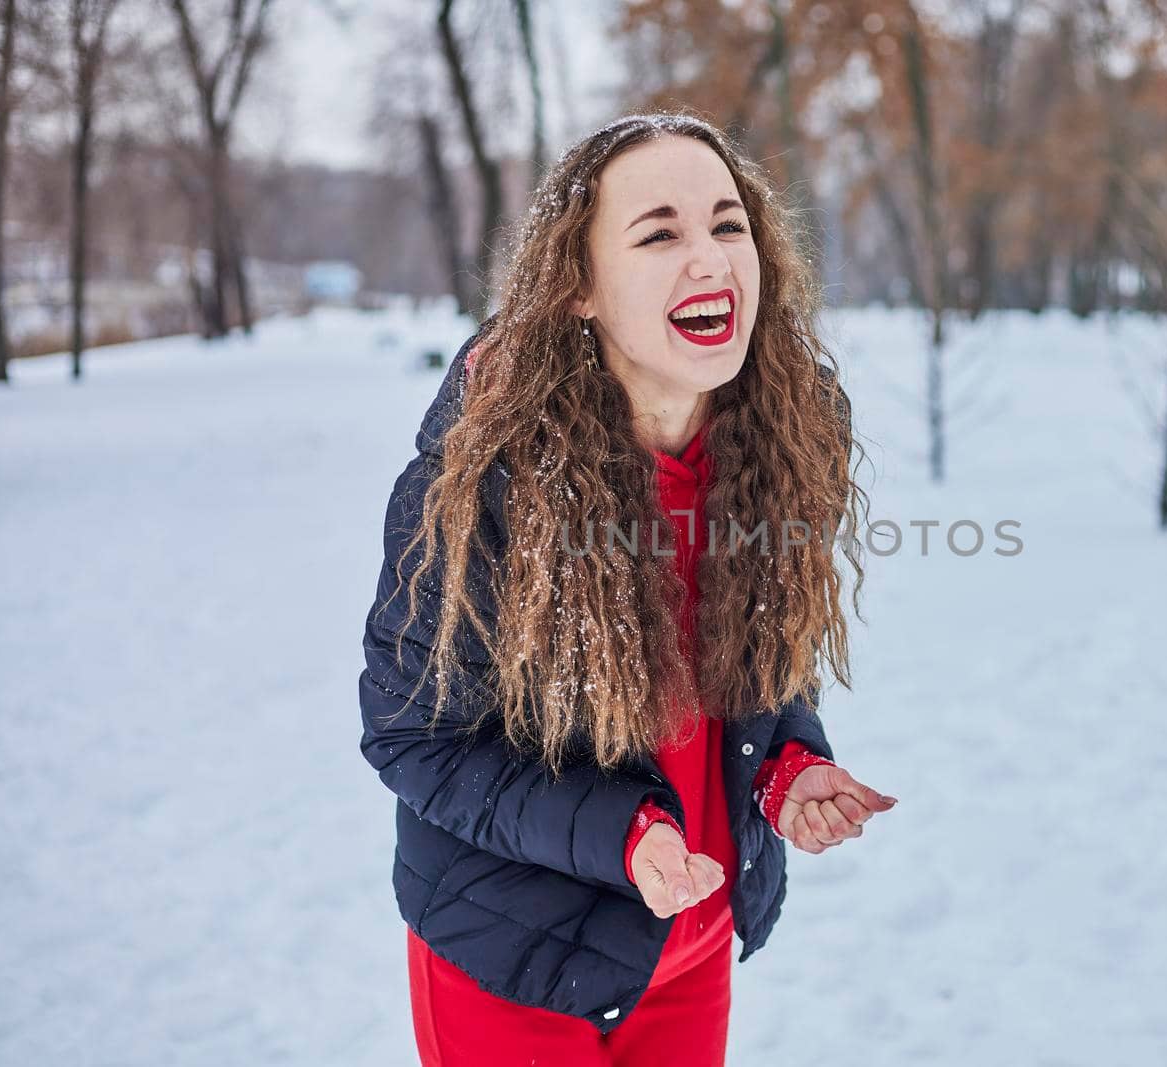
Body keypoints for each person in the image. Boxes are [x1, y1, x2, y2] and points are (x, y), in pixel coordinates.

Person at [358, 111, 898, 1066]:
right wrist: (624, 835)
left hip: (687, 947)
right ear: (578, 286)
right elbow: (418, 738)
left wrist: (786, 769)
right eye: (660, 233)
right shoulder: (484, 478)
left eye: (729, 225)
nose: (710, 257)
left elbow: (760, 665)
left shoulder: (775, 447)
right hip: (510, 954)